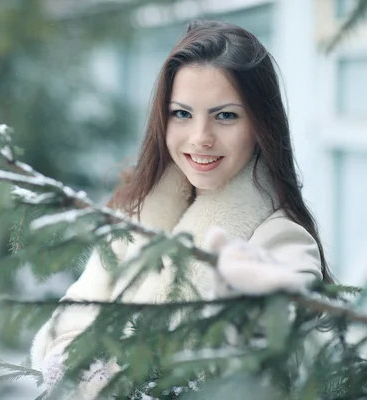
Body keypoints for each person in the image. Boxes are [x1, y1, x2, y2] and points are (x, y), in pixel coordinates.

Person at [30, 19, 334, 398]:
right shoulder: (142, 211)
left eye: (226, 115)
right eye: (182, 114)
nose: (200, 138)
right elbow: (74, 314)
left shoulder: (277, 234)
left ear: (260, 126)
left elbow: (284, 326)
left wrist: (254, 313)